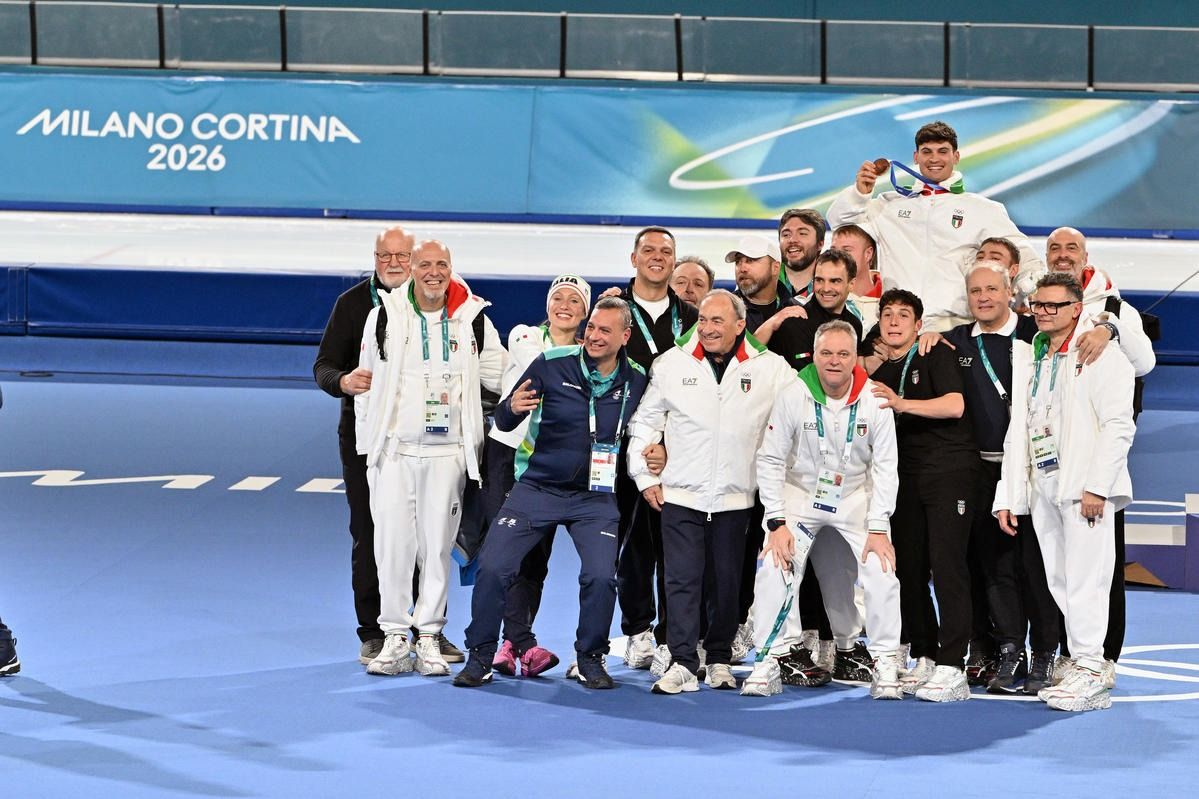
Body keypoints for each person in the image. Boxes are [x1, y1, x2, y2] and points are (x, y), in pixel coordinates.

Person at [455, 298, 648, 689]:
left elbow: (652, 425)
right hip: (537, 487)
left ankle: (590, 658)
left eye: (605, 330)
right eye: (591, 327)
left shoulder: (637, 379)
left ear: (625, 336)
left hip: (594, 497)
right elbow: (504, 419)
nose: (593, 336)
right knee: (492, 566)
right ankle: (481, 656)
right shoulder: (552, 362)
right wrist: (512, 407)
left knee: (600, 576)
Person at [626, 290, 793, 694]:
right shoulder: (671, 363)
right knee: (681, 582)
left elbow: (798, 412)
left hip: (738, 499)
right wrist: (644, 477)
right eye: (703, 320)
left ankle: (718, 658)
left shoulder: (771, 368)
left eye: (718, 321)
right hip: (681, 495)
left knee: (727, 584)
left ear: (740, 325)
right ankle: (683, 661)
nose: (708, 328)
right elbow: (645, 423)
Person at [313, 227, 463, 666]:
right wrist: (343, 381)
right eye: (385, 256)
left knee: (431, 536)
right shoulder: (353, 305)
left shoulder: (447, 304)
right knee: (372, 533)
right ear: (375, 257)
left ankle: (427, 630)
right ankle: (376, 632)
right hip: (368, 442)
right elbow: (323, 366)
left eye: (402, 256)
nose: (393, 263)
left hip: (432, 440)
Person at [354, 240, 504, 677]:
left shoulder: (473, 319)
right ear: (412, 269)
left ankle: (429, 637)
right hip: (394, 453)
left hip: (447, 455)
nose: (433, 272)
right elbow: (366, 385)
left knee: (437, 549)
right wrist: (370, 449)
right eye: (424, 264)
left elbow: (504, 375)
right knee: (392, 548)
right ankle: (395, 636)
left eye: (441, 264)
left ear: (451, 268)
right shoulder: (384, 315)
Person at [994, 272, 1136, 712]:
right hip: (1044, 484)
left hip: (1084, 486)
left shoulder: (1101, 352)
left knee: (1088, 580)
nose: (1043, 312)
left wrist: (1098, 486)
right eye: (1038, 304)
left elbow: (1118, 426)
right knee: (1060, 580)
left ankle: (1092, 668)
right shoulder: (1032, 355)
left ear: (1077, 309)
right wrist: (1009, 494)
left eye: (1054, 305)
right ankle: (1082, 662)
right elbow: (1020, 429)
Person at [742, 321, 902, 699]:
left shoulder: (875, 398)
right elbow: (770, 459)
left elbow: (886, 467)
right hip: (800, 493)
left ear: (855, 357)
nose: (834, 361)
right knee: (775, 561)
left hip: (854, 494)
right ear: (814, 356)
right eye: (826, 353)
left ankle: (885, 661)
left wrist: (878, 527)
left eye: (843, 354)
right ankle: (770, 658)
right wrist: (776, 521)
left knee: (880, 566)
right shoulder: (792, 394)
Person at [937, 262, 1060, 695]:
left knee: (1036, 566)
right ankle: (1010, 649)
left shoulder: (1034, 334)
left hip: (1031, 469)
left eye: (992, 289)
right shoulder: (953, 341)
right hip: (980, 472)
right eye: (976, 291)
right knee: (994, 567)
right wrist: (927, 337)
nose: (984, 297)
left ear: (1010, 292)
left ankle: (1045, 651)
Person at [1045, 226, 1156, 686]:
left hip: (1095, 463)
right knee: (1058, 570)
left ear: (1086, 256)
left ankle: (1101, 656)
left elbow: (1145, 362)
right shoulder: (1040, 305)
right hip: (1049, 462)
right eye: (1054, 248)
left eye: (1071, 248)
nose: (1062, 254)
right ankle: (1069, 652)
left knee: (1099, 567)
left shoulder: (1114, 305)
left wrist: (1110, 328)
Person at [827, 120, 1045, 331]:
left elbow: (1022, 252)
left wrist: (1030, 288)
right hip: (897, 324)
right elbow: (840, 221)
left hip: (954, 326)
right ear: (916, 157)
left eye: (942, 151)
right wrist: (859, 193)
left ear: (956, 156)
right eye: (927, 151)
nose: (934, 158)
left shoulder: (982, 209)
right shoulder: (888, 205)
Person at [869, 289, 978, 702]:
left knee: (947, 566)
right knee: (909, 570)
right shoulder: (882, 370)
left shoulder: (935, 353)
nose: (894, 321)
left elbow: (955, 405)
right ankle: (926, 654)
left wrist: (901, 403)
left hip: (949, 473)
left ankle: (953, 665)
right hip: (905, 479)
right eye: (887, 315)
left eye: (903, 316)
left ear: (918, 326)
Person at [485, 274, 592, 678]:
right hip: (507, 454)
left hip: (547, 461)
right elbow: (545, 366)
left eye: (575, 301)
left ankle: (511, 644)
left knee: (536, 557)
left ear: (584, 312)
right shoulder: (524, 334)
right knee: (506, 551)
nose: (565, 305)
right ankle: (519, 642)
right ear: (547, 305)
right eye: (558, 298)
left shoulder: (588, 353)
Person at [612, 227, 700, 671]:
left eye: (666, 251)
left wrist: (668, 442)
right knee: (631, 548)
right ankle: (638, 631)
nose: (657, 257)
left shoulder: (693, 317)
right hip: (620, 446)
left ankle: (672, 637)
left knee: (677, 550)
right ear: (634, 258)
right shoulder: (613, 310)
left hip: (681, 449)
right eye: (648, 250)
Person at [729, 235, 797, 334]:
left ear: (775, 268)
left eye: (751, 260)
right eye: (738, 261)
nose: (742, 268)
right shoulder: (725, 310)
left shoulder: (796, 309)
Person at [832, 224, 884, 330]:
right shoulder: (823, 296)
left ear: (868, 254)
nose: (836, 257)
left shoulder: (890, 297)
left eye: (846, 250)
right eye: (833, 251)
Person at [777, 208, 826, 298]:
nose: (792, 240)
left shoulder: (833, 286)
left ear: (820, 244)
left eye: (802, 233)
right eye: (786, 235)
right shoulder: (766, 282)